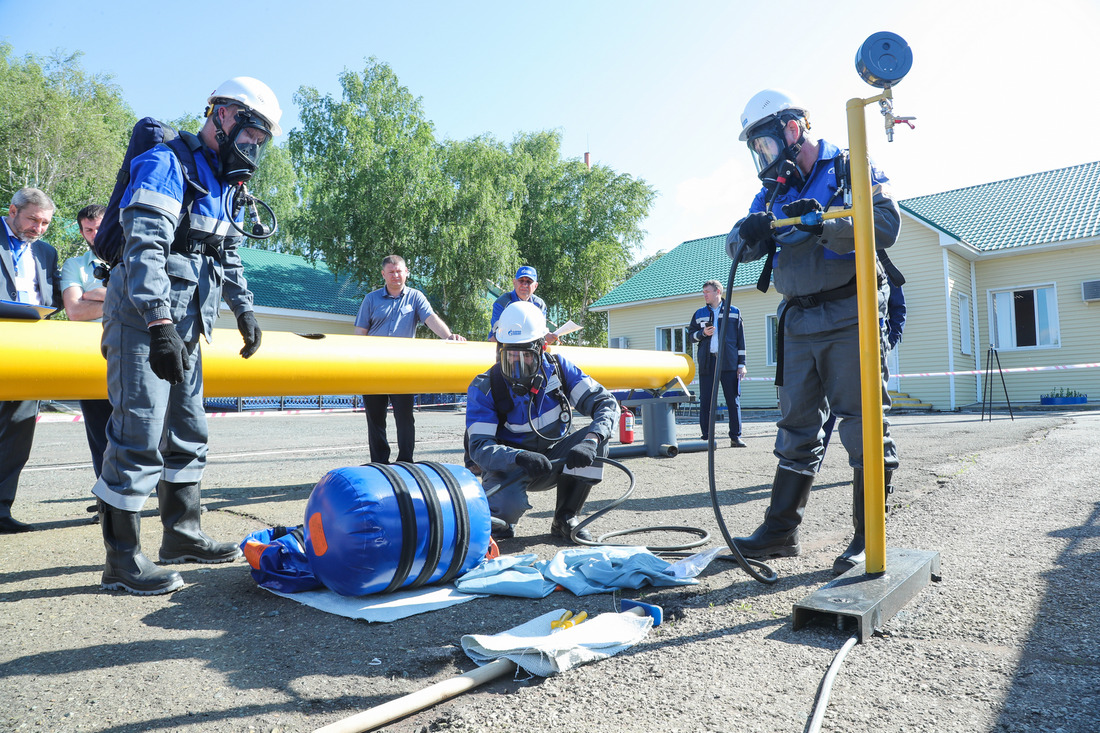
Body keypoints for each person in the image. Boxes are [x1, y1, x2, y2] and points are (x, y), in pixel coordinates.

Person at [92, 77, 283, 595]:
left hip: (189, 326)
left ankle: (181, 535)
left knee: (189, 431)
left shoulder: (224, 183)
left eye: (260, 141)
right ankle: (122, 560)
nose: (252, 147)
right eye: (250, 134)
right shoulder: (166, 163)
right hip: (142, 322)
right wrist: (157, 325)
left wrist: (245, 311)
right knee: (138, 435)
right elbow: (145, 247)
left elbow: (227, 253)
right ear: (222, 115)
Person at [725, 88, 901, 575]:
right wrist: (750, 231)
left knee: (862, 424)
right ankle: (780, 532)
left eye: (764, 142)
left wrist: (820, 224)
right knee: (796, 427)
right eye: (754, 149)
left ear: (791, 128)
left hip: (849, 311)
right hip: (798, 320)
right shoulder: (771, 191)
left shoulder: (849, 166)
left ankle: (870, 538)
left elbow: (886, 224)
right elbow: (733, 245)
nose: (762, 156)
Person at [466, 301, 619, 542]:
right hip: (510, 467)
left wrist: (591, 441)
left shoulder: (558, 369)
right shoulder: (484, 387)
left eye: (525, 355)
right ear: (499, 349)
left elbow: (606, 403)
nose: (517, 364)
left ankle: (566, 517)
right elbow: (479, 448)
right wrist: (516, 457)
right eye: (510, 355)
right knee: (503, 516)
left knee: (599, 440)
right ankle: (501, 522)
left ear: (542, 348)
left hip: (555, 459)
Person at [355, 254, 466, 464]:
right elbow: (360, 332)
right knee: (375, 419)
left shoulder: (415, 297)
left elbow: (431, 318)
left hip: (402, 368)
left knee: (405, 418)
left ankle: (405, 461)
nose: (395, 275)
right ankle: (379, 463)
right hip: (373, 366)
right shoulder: (371, 299)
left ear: (406, 272)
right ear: (383, 275)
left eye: (399, 271)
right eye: (391, 272)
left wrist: (449, 337)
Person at [0, 187, 62, 533]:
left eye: (45, 223)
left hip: (27, 352)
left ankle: (1, 511)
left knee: (17, 435)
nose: (38, 228)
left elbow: (52, 298)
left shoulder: (47, 253)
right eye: (33, 220)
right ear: (12, 211)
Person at [61, 204, 114, 487]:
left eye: (99, 227)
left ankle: (163, 499)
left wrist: (96, 294)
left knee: (150, 429)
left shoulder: (135, 256)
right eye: (88, 230)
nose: (95, 235)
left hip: (132, 355)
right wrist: (118, 296)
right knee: (100, 434)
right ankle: (108, 501)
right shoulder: (74, 266)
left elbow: (143, 300)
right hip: (90, 358)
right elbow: (75, 311)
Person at [688, 279, 747, 447]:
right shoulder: (699, 313)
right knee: (706, 400)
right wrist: (702, 333)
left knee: (732, 401)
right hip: (707, 363)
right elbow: (690, 336)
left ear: (718, 292)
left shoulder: (734, 312)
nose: (704, 295)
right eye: (704, 292)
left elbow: (740, 340)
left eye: (707, 292)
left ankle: (735, 437)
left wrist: (741, 365)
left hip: (728, 363)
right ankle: (706, 437)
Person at [487, 265, 557, 344]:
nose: (524, 284)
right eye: (521, 280)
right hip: (504, 345)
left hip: (530, 347)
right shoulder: (502, 302)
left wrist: (546, 335)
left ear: (535, 286)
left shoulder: (539, 304)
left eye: (529, 281)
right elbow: (496, 332)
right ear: (514, 282)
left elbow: (541, 330)